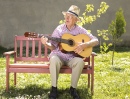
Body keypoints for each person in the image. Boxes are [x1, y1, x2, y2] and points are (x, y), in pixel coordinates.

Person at [41, 5, 99, 99]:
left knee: (80, 62)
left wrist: (84, 45)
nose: (67, 18)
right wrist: (46, 44)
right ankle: (54, 88)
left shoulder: (80, 30)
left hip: (72, 57)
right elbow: (53, 46)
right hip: (59, 55)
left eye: (70, 16)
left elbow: (95, 40)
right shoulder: (59, 29)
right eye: (66, 16)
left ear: (75, 19)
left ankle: (73, 89)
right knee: (53, 59)